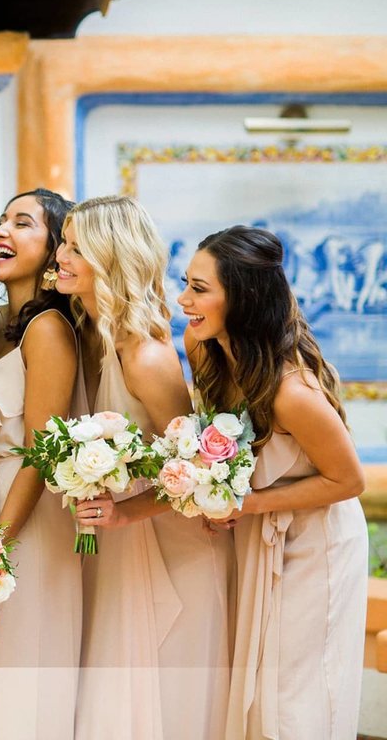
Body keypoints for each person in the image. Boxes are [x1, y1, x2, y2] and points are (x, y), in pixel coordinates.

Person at [178, 226, 366, 739]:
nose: (184, 300)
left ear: (241, 299)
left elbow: (348, 480)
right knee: (259, 682)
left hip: (318, 541)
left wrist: (249, 502)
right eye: (186, 283)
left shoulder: (291, 391)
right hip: (264, 529)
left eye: (199, 288)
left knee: (297, 693)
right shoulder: (205, 352)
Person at [59, 195, 233, 740]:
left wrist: (123, 512)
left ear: (110, 256)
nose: (60, 256)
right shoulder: (91, 334)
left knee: (168, 703)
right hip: (120, 540)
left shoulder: (146, 356)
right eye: (62, 243)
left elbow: (194, 474)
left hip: (172, 548)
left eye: (74, 246)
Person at [0, 189, 85, 739]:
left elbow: (42, 451)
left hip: (26, 517)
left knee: (23, 671)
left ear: (55, 246)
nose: (2, 231)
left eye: (22, 223)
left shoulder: (50, 330)